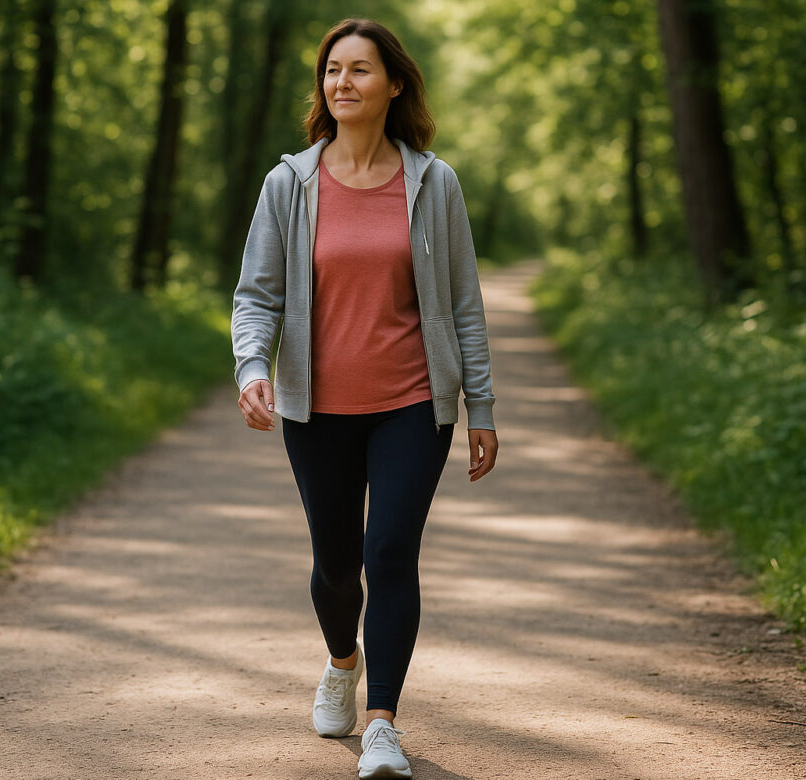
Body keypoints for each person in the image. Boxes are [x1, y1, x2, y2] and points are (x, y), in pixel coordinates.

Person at [230, 17, 498, 780]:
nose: (342, 83)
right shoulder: (290, 185)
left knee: (390, 552)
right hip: (317, 407)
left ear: (394, 84)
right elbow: (258, 294)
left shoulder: (432, 182)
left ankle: (382, 722)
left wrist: (480, 406)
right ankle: (342, 659)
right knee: (337, 563)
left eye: (360, 70)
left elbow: (465, 305)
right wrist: (254, 367)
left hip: (414, 401)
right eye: (332, 70)